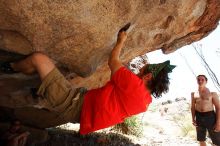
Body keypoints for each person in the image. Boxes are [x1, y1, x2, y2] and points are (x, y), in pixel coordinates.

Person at [0, 25, 175, 135]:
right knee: (44, 73)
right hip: (78, 109)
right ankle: (39, 89)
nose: (139, 70)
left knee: (39, 59)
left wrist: (121, 41)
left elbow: (113, 61)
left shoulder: (135, 86)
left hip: (73, 104)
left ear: (148, 76)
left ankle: (10, 67)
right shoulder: (144, 102)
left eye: (142, 70)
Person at [191, 75, 220, 146]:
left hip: (210, 117)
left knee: (217, 141)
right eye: (198, 80)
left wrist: (218, 123)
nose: (200, 81)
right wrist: (193, 119)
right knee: (201, 139)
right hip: (199, 117)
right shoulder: (194, 94)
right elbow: (192, 107)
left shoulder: (212, 94)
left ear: (206, 81)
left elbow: (218, 108)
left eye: (202, 79)